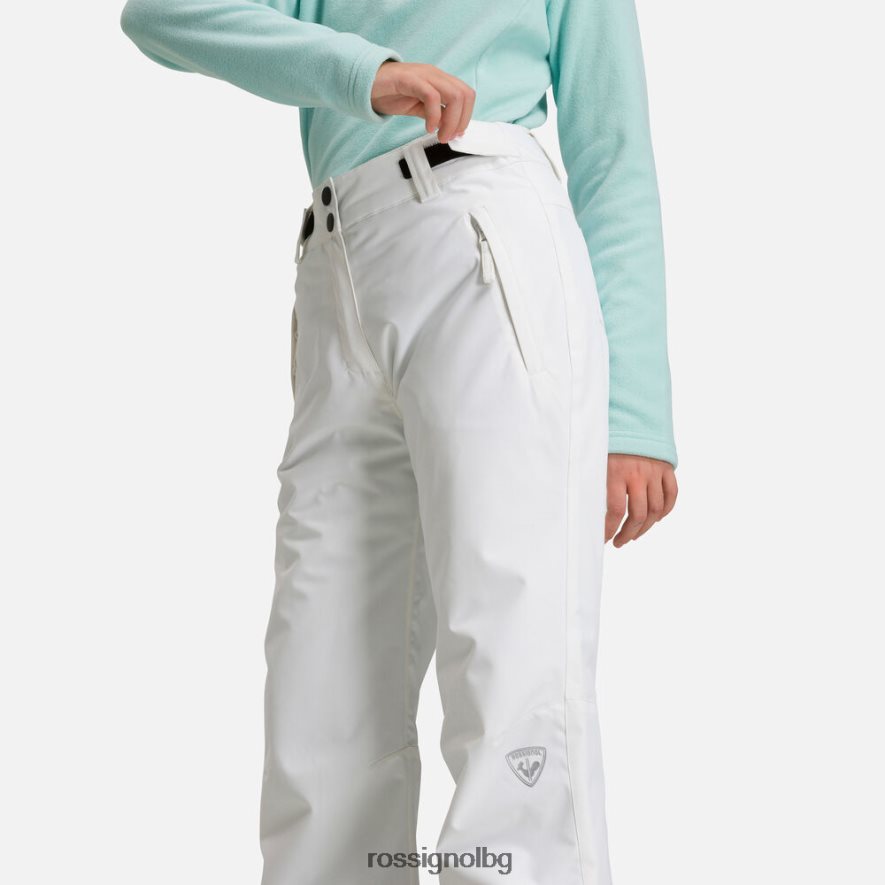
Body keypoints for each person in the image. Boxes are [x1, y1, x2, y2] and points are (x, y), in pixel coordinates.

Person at [119, 1, 678, 881]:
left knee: (511, 665)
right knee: (322, 691)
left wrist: (634, 411)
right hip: (336, 264)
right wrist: (362, 73)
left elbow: (612, 152)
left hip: (481, 237)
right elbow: (163, 12)